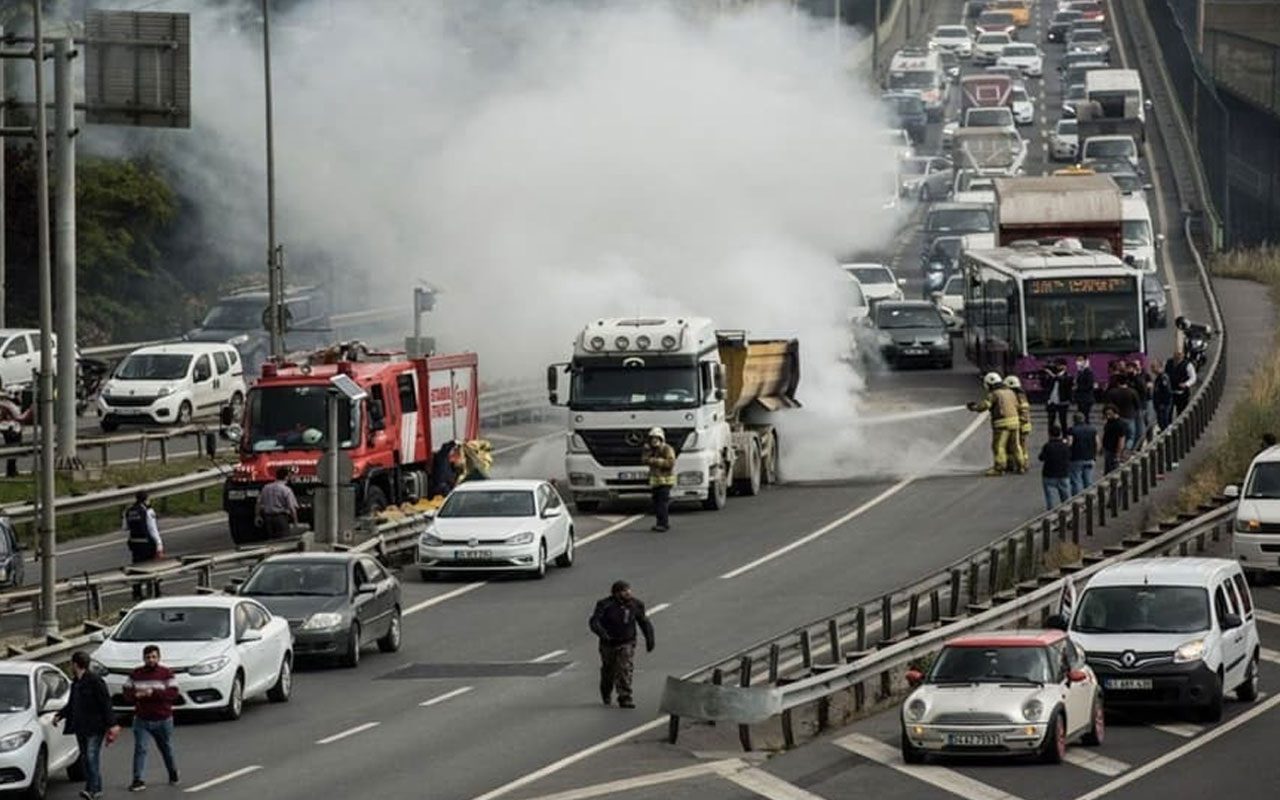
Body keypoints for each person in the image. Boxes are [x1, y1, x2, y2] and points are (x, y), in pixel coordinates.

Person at [55, 651, 122, 800]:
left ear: (75, 664)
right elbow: (72, 704)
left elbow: (105, 703)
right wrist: (60, 715)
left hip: (95, 727)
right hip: (81, 727)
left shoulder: (95, 681)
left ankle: (95, 789)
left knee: (92, 758)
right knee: (86, 758)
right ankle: (90, 788)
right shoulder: (76, 683)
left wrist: (112, 724)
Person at [588, 580, 655, 709]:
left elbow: (644, 622)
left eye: (629, 590)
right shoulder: (605, 605)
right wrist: (603, 635)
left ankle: (625, 697)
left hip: (627, 642)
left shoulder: (636, 605)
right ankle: (606, 691)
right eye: (624, 591)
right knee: (609, 670)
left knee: (624, 668)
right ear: (617, 593)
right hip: (608, 644)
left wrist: (650, 639)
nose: (628, 593)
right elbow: (594, 622)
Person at [124, 644, 180, 791]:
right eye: (148, 657)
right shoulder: (135, 674)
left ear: (159, 658)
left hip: (163, 719)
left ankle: (172, 772)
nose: (151, 660)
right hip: (142, 719)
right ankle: (138, 779)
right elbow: (126, 693)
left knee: (165, 747)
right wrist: (136, 695)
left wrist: (152, 693)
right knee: (140, 748)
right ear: (143, 658)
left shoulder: (166, 673)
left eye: (154, 657)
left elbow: (173, 693)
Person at [967, 372, 1021, 476]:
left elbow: (985, 406)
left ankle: (999, 468)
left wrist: (974, 407)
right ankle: (1021, 466)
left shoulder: (994, 394)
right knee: (1015, 445)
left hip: (1002, 424)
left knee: (998, 446)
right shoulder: (1010, 392)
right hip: (1015, 422)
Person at [123, 491, 164, 600]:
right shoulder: (148, 511)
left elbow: (125, 527)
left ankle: (136, 592)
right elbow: (152, 529)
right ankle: (156, 591)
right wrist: (159, 544)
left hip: (134, 542)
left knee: (137, 567)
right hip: (147, 542)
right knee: (152, 567)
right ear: (146, 499)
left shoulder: (129, 510)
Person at [642, 427, 676, 532]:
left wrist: (656, 461)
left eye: (656, 438)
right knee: (656, 503)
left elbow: (670, 463)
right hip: (655, 482)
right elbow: (644, 460)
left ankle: (663, 524)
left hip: (666, 481)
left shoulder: (667, 449)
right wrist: (647, 452)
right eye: (652, 438)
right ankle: (659, 523)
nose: (654, 441)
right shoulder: (650, 450)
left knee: (662, 504)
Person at [255, 466, 299, 538]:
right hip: (280, 518)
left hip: (268, 518)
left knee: (271, 539)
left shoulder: (266, 488)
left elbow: (258, 503)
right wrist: (295, 522)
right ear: (286, 477)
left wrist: (257, 516)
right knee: (283, 539)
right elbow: (292, 508)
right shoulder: (286, 490)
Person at [1102, 372, 1140, 451]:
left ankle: (1118, 449)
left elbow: (1107, 405)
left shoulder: (1112, 392)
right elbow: (1137, 405)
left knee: (1117, 436)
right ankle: (1126, 449)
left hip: (1116, 418)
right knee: (1131, 437)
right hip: (1129, 416)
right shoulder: (1132, 392)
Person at [1039, 426, 1072, 510]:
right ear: (1060, 434)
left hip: (1049, 474)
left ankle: (1051, 513)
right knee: (1066, 497)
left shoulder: (1047, 446)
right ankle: (1067, 513)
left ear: (1050, 434)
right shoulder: (1065, 446)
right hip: (1063, 474)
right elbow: (1069, 456)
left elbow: (1041, 457)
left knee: (1050, 498)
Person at [1004, 376, 1032, 474]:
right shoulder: (1022, 395)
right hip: (1025, 425)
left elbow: (1023, 412)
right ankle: (1021, 464)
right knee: (1021, 445)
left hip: (1020, 424)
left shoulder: (1016, 396)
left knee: (1015, 445)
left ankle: (1019, 465)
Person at [1066, 412, 1099, 495]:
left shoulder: (1072, 430)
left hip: (1076, 458)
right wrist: (1095, 454)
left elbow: (1070, 443)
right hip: (1090, 458)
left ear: (1074, 420)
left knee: (1076, 481)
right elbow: (1098, 443)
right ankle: (1089, 498)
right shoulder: (1092, 429)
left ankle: (1077, 501)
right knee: (1088, 480)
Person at [1043, 360, 1074, 435]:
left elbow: (1064, 382)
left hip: (1062, 402)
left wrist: (1052, 375)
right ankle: (1051, 435)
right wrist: (1046, 376)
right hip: (1051, 401)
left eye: (1059, 365)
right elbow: (1044, 385)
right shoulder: (1051, 376)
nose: (1057, 367)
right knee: (1051, 421)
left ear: (1064, 367)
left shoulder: (1068, 376)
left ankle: (1065, 436)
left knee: (1063, 421)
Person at [1165, 349, 1197, 416]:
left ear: (1183, 355)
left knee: (1181, 412)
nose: (1177, 356)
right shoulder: (1169, 363)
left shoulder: (1188, 365)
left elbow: (1193, 377)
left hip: (1182, 393)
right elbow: (1165, 374)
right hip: (1170, 392)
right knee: (1168, 412)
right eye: (1176, 354)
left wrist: (1186, 384)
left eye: (1179, 354)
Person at [1101, 405, 1128, 473]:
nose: (1107, 416)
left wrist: (1118, 453)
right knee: (1108, 469)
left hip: (1114, 450)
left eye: (1109, 414)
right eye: (1106, 414)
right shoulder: (1109, 422)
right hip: (1108, 449)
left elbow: (1121, 439)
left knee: (1113, 470)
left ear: (1115, 413)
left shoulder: (1120, 424)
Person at [1151, 360, 1174, 431]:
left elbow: (1167, 392)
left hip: (1164, 405)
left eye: (1153, 367)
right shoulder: (1158, 378)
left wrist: (1163, 404)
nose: (1152, 370)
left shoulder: (1163, 378)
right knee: (1161, 423)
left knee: (1164, 423)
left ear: (1159, 367)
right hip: (1159, 405)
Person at [1072, 355, 1095, 422]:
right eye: (1078, 360)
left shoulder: (1088, 372)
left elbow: (1089, 385)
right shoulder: (1079, 372)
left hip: (1086, 398)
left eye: (1080, 360)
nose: (1079, 362)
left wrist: (1078, 387)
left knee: (1085, 416)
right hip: (1080, 398)